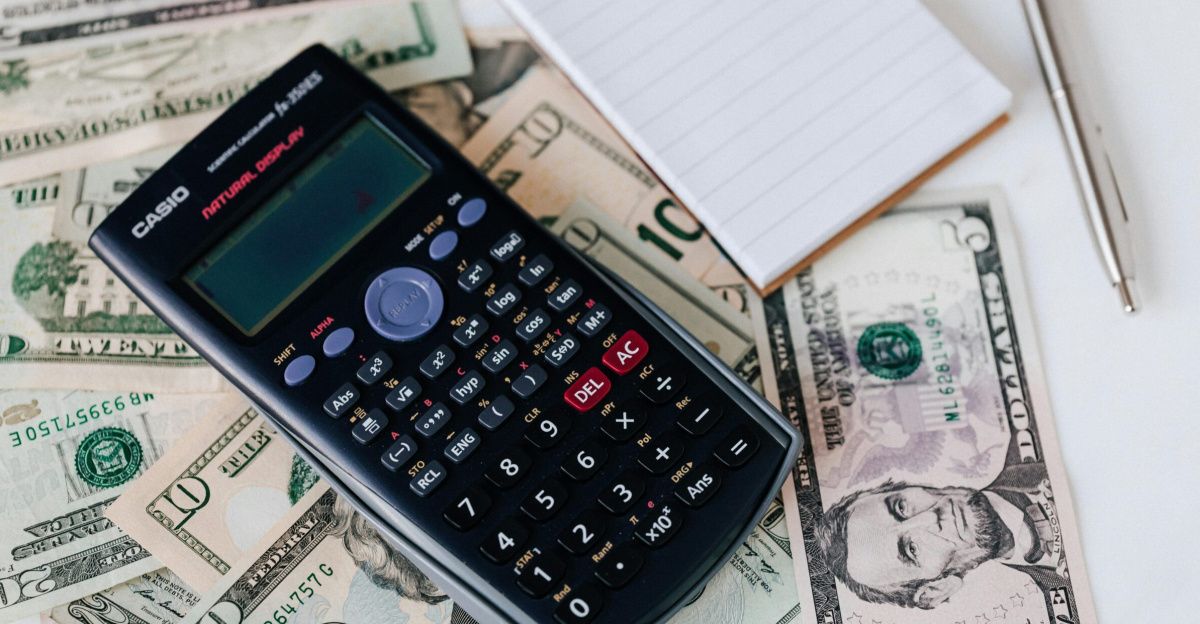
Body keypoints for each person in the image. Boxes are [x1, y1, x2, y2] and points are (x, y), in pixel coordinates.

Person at [814, 462, 1066, 609]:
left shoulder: (1038, 457)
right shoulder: (1057, 590)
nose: (930, 518)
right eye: (911, 549)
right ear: (937, 588)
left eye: (901, 507)